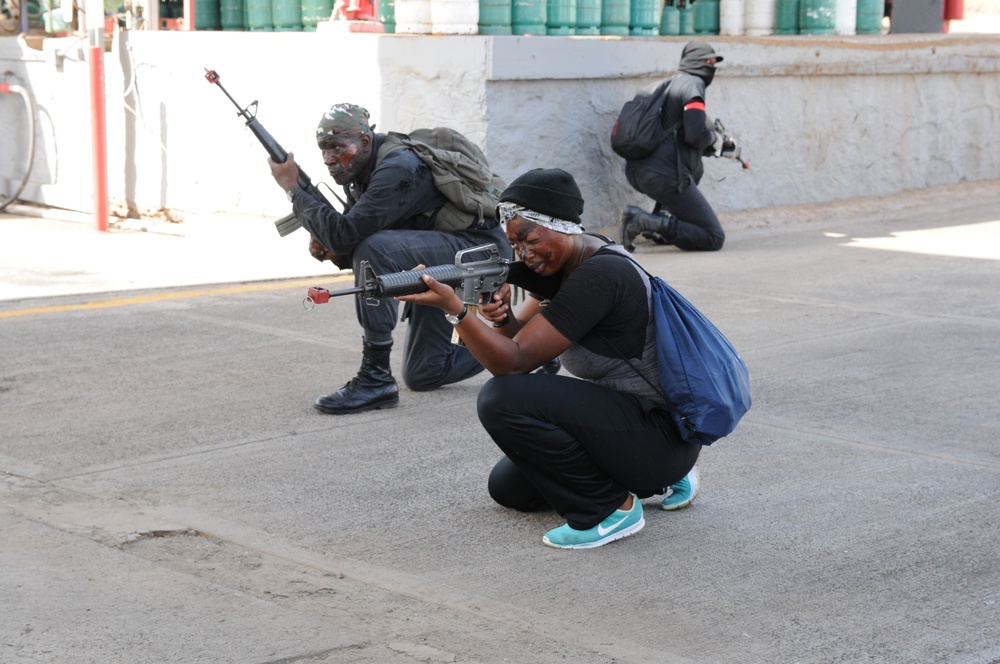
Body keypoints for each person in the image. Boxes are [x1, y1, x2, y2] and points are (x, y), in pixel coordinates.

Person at [397, 168, 702, 549]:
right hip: (635, 426)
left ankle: (611, 510)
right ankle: (648, 480)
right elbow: (521, 339)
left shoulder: (599, 275)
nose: (525, 254)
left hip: (660, 435)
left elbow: (513, 363)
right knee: (509, 488)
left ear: (561, 225)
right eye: (515, 245)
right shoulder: (574, 262)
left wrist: (456, 310)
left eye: (529, 239)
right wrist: (504, 317)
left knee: (501, 397)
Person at [268, 103, 510, 415]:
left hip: (476, 251)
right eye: (323, 149)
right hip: (439, 259)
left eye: (337, 148)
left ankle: (375, 378)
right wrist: (329, 250)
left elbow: (350, 238)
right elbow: (346, 243)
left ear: (365, 142)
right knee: (425, 373)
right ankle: (516, 342)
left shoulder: (397, 168)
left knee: (376, 248)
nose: (329, 159)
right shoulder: (361, 170)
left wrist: (294, 189)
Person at [620, 40, 737, 254]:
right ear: (693, 62)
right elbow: (695, 135)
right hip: (666, 177)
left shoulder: (667, 85)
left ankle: (658, 224)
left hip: (639, 172)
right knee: (713, 237)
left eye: (714, 62)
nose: (711, 67)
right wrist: (716, 139)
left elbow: (681, 135)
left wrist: (709, 145)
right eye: (707, 62)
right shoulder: (693, 84)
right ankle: (644, 221)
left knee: (694, 177)